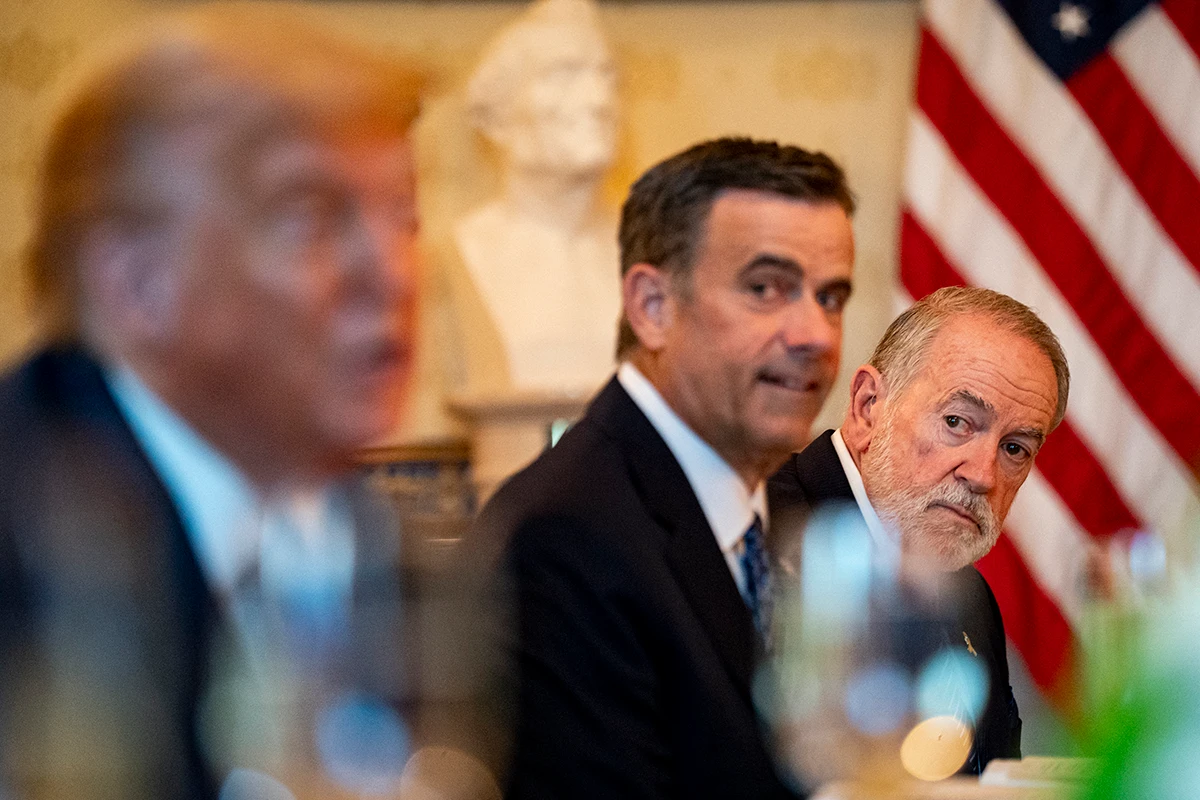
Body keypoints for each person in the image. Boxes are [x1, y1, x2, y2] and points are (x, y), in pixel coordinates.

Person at [0, 9, 424, 798]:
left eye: (405, 218)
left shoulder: (366, 534)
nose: (393, 275)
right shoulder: (32, 543)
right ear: (136, 284)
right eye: (313, 219)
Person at [475, 137, 856, 798]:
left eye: (830, 297)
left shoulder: (771, 514)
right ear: (652, 307)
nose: (816, 336)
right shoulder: (564, 537)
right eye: (768, 288)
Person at [769, 286, 1071, 774]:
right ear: (869, 407)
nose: (983, 475)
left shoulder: (966, 593)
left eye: (1015, 449)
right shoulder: (755, 532)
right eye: (957, 422)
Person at [452, 0, 621, 393]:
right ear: (496, 119)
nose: (599, 100)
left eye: (608, 76)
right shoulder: (465, 251)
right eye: (563, 75)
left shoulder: (650, 250)